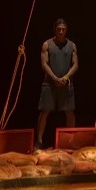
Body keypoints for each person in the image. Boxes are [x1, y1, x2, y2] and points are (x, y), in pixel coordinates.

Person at [36, 18, 78, 150]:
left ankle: (70, 141)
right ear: (55, 30)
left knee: (69, 112)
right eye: (59, 29)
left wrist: (65, 77)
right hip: (50, 83)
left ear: (66, 30)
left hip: (66, 83)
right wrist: (54, 78)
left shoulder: (72, 45)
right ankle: (39, 141)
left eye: (63, 29)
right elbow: (44, 64)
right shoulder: (47, 44)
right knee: (45, 111)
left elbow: (75, 64)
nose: (61, 32)